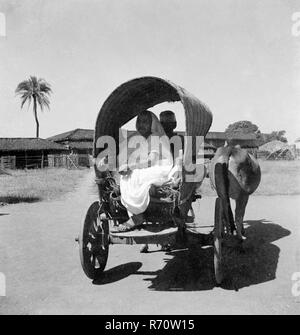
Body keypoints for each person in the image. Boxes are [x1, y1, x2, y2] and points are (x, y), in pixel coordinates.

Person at [111, 110, 180, 233]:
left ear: (152, 124)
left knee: (135, 175)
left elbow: (150, 161)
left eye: (145, 122)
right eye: (138, 121)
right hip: (149, 167)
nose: (140, 125)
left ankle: (137, 217)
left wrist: (130, 166)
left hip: (161, 168)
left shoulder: (155, 137)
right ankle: (136, 213)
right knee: (130, 176)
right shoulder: (138, 138)